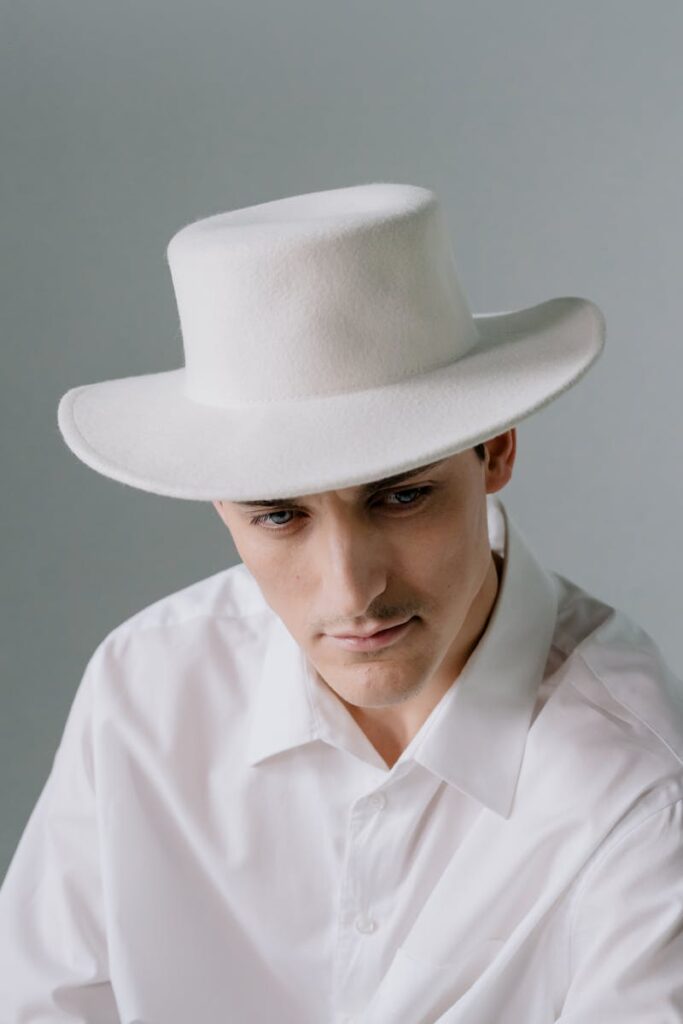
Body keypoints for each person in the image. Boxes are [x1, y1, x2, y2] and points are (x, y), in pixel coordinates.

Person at [1, 182, 681, 1023]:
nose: (351, 590)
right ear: (223, 504)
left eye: (400, 499)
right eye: (280, 516)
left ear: (496, 451)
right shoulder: (144, 690)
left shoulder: (639, 787)